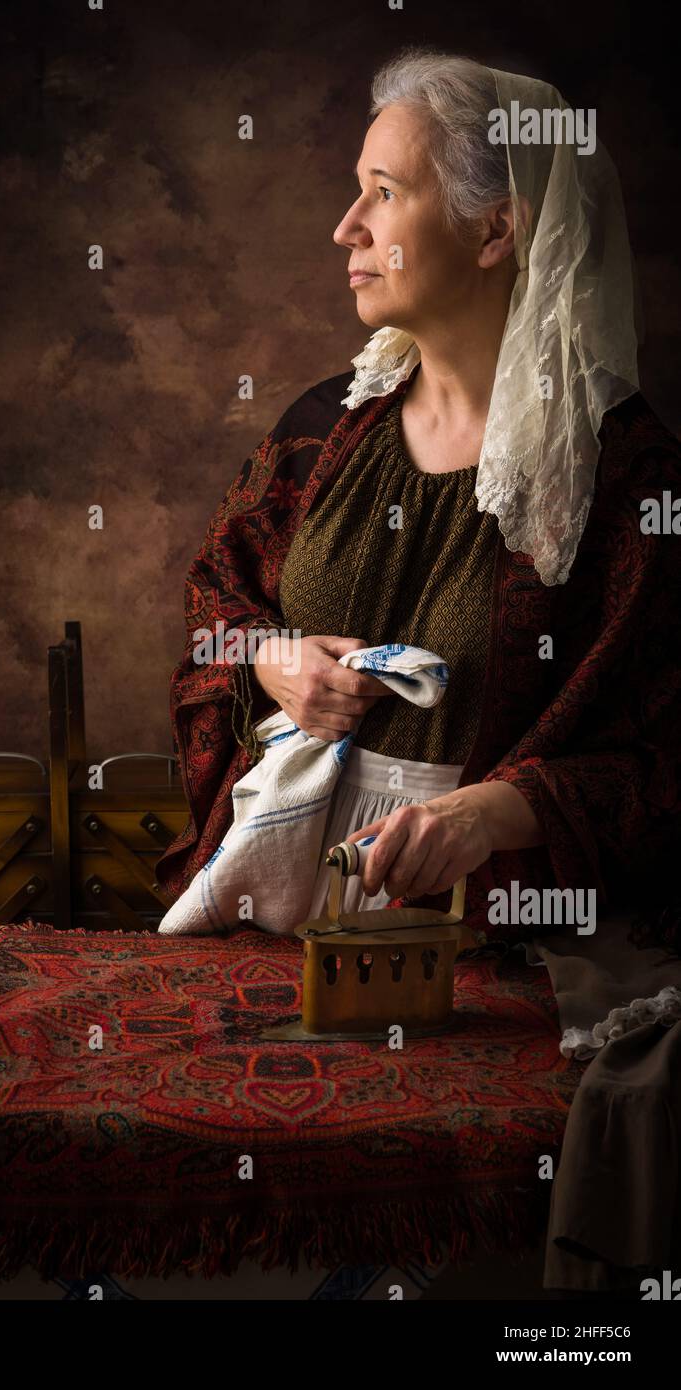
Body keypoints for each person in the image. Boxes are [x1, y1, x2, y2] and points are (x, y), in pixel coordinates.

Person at [155, 47, 680, 944]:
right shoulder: (324, 428)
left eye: (385, 192)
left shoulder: (627, 478)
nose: (346, 227)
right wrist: (269, 659)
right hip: (274, 911)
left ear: (494, 232)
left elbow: (666, 765)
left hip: (488, 941)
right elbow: (215, 599)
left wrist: (491, 814)